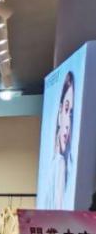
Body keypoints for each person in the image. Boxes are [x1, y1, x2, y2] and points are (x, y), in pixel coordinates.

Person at [50, 71, 75, 209]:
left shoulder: (59, 163)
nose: (68, 124)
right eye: (66, 109)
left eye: (71, 113)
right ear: (60, 112)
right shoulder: (59, 164)